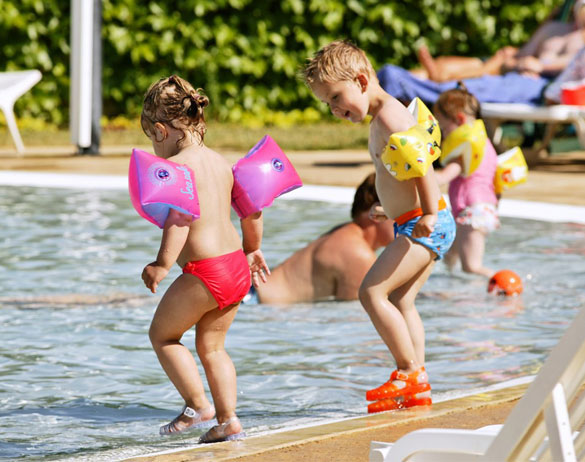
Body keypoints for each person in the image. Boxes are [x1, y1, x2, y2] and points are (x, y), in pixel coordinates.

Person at [303, 41, 456, 412]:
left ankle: (407, 371)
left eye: (337, 97)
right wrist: (390, 209)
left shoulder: (390, 116)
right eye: (328, 104)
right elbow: (401, 174)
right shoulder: (383, 117)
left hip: (425, 222)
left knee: (371, 292)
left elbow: (422, 166)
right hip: (414, 220)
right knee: (402, 300)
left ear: (360, 79)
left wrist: (429, 215)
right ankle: (417, 382)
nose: (336, 108)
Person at [139, 75, 269, 441]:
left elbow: (179, 220)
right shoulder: (221, 163)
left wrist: (161, 265)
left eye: (151, 139)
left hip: (204, 271)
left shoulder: (179, 170)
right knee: (212, 347)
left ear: (161, 130)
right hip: (236, 267)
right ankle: (228, 420)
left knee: (163, 336)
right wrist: (253, 249)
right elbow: (251, 210)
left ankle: (198, 405)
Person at [246, 172, 395, 304]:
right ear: (376, 212)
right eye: (400, 213)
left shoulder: (345, 233)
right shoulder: (358, 254)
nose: (408, 222)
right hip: (258, 305)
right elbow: (353, 323)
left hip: (251, 293)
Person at [416, 0, 585, 82]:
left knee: (487, 67)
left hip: (527, 72)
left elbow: (571, 64)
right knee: (442, 64)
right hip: (515, 62)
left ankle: (440, 78)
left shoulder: (580, 41)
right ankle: (434, 71)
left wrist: (539, 66)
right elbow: (527, 51)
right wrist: (514, 55)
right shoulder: (554, 28)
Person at [433, 83, 499, 278]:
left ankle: (506, 284)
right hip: (480, 210)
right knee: (449, 256)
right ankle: (451, 288)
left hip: (472, 213)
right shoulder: (485, 143)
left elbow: (444, 177)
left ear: (460, 119)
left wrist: (419, 174)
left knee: (472, 267)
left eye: (444, 129)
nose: (444, 135)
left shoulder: (465, 149)